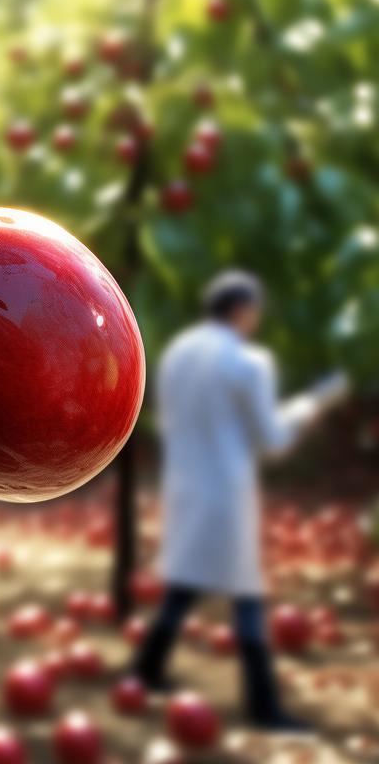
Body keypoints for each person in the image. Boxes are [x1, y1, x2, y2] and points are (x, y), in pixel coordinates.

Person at [132, 270, 348, 730]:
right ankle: (264, 706)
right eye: (253, 312)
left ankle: (148, 671)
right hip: (225, 491)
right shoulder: (248, 362)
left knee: (184, 583)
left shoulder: (178, 354)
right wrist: (312, 406)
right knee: (246, 595)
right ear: (241, 311)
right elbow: (270, 438)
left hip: (184, 484)